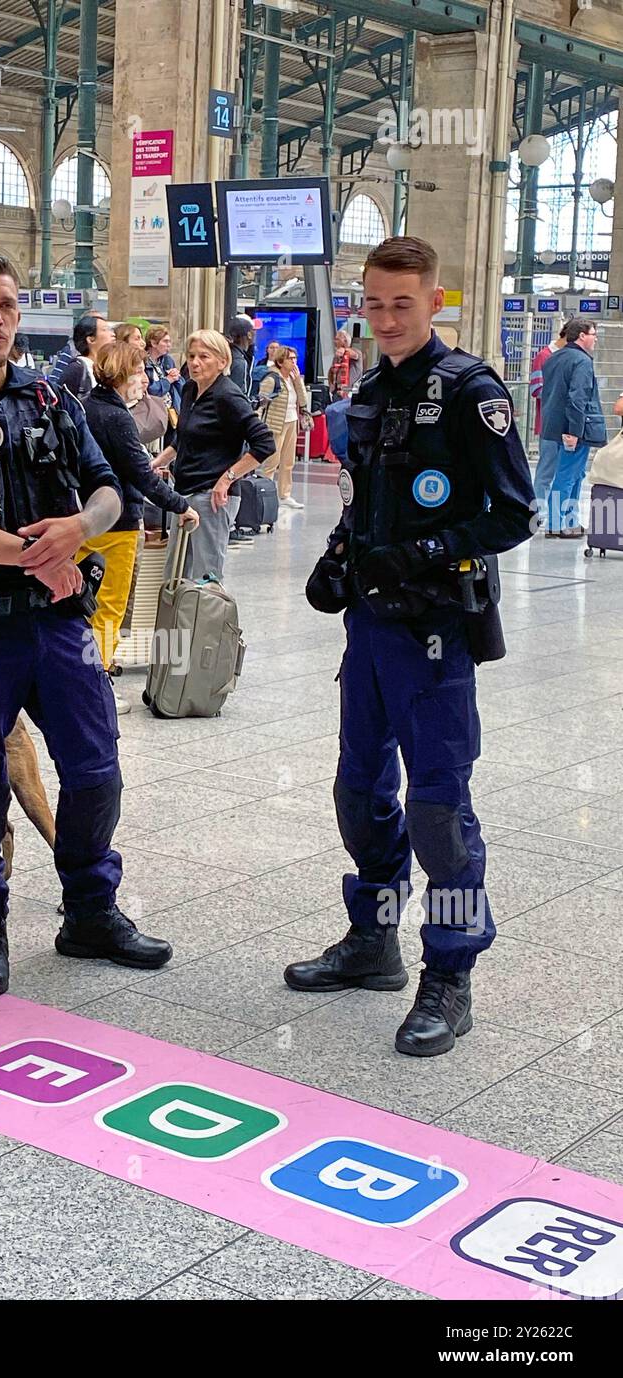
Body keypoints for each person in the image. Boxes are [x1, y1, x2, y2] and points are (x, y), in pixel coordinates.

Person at [291, 235, 534, 1058]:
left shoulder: (472, 392)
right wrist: (339, 559)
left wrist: (425, 552)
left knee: (438, 809)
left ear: (437, 301)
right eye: (375, 302)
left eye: (404, 302)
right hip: (369, 628)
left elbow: (513, 514)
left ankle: (452, 973)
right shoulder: (367, 392)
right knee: (360, 792)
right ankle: (374, 939)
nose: (388, 317)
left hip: (434, 634)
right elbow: (362, 504)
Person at [0, 252, 173, 998]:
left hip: (60, 627)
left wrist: (79, 526)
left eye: (5, 303)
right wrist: (44, 555)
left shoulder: (49, 400)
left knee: (96, 771)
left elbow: (107, 487)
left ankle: (90, 912)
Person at [80, 339, 198, 713]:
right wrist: (181, 506)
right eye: (138, 371)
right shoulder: (116, 417)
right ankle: (97, 688)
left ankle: (83, 680)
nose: (145, 379)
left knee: (83, 605)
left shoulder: (87, 407)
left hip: (86, 518)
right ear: (120, 375)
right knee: (110, 607)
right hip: (116, 525)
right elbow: (140, 475)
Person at [154, 329, 274, 581]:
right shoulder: (189, 390)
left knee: (204, 578)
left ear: (222, 361)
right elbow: (182, 437)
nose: (195, 363)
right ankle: (178, 622)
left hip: (211, 497)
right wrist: (157, 463)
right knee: (174, 576)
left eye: (204, 357)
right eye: (192, 355)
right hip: (184, 494)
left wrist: (227, 478)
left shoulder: (227, 395)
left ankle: (202, 622)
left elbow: (264, 442)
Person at [540, 319, 607, 539]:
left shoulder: (553, 359)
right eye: (593, 334)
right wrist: (575, 432)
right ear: (581, 336)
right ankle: (557, 523)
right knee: (567, 475)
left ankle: (569, 520)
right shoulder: (582, 362)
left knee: (576, 474)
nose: (595, 338)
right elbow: (577, 399)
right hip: (573, 429)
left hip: (554, 426)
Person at [258, 344, 308, 510]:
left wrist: (298, 381)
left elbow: (302, 400)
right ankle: (266, 493)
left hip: (292, 421)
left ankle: (285, 494)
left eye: (295, 358)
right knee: (272, 460)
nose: (294, 362)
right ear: (281, 361)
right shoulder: (272, 377)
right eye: (290, 359)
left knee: (288, 461)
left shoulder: (292, 378)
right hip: (275, 423)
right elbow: (261, 401)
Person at [529, 322, 568, 505]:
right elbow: (536, 389)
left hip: (567, 424)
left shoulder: (568, 357)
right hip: (548, 423)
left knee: (564, 471)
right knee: (546, 469)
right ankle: (539, 510)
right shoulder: (543, 356)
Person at [53, 312, 114, 403]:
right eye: (105, 330)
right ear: (90, 339)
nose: (113, 334)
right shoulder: (77, 369)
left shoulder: (105, 368)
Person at [144, 324, 183, 410]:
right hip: (152, 410)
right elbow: (150, 390)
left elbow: (181, 387)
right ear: (153, 343)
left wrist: (177, 377)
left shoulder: (167, 360)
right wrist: (168, 380)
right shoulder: (143, 362)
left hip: (171, 408)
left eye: (170, 341)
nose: (169, 345)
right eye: (165, 341)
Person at [225, 315, 256, 399]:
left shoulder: (228, 354)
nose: (255, 333)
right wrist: (256, 401)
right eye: (253, 330)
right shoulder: (239, 361)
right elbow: (236, 398)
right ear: (249, 334)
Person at [327, 329, 362, 400]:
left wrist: (345, 350)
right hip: (337, 392)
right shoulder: (336, 356)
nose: (335, 342)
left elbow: (355, 355)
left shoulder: (356, 352)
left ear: (345, 341)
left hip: (350, 393)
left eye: (337, 339)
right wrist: (332, 387)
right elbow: (331, 371)